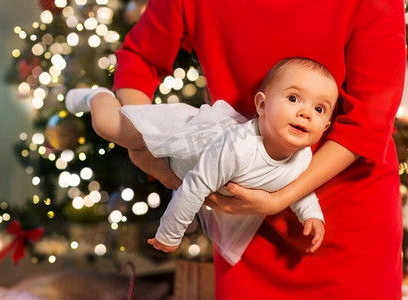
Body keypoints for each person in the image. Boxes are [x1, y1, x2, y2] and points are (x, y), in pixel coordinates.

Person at [96, 0, 407, 298]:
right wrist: (145, 144)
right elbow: (140, 58)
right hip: (244, 225)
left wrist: (281, 197)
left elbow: (368, 120)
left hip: (350, 223)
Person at [66, 57, 337, 265]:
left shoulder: (303, 156)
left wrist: (311, 214)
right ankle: (95, 96)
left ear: (325, 126)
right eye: (293, 98)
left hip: (178, 165)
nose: (305, 113)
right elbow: (195, 187)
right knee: (109, 126)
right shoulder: (238, 148)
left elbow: (298, 182)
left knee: (138, 154)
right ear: (262, 106)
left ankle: (135, 146)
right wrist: (170, 233)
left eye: (319, 108)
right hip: (180, 134)